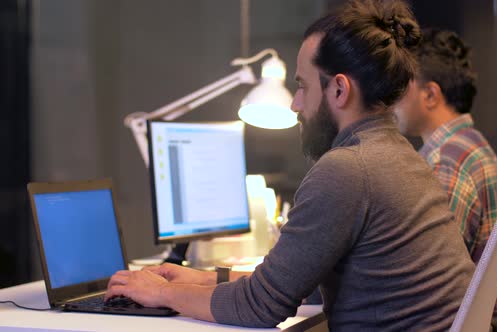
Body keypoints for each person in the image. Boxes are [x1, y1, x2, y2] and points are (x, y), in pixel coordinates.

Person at [106, 1, 475, 330]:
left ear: (339, 90)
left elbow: (260, 306)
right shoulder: (399, 156)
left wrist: (162, 295)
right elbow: (303, 281)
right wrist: (199, 280)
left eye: (302, 86)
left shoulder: (348, 169)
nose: (296, 104)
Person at [393, 28, 497, 331]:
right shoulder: (471, 144)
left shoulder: (445, 163)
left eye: (402, 87)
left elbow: (430, 283)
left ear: (430, 95)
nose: (392, 100)